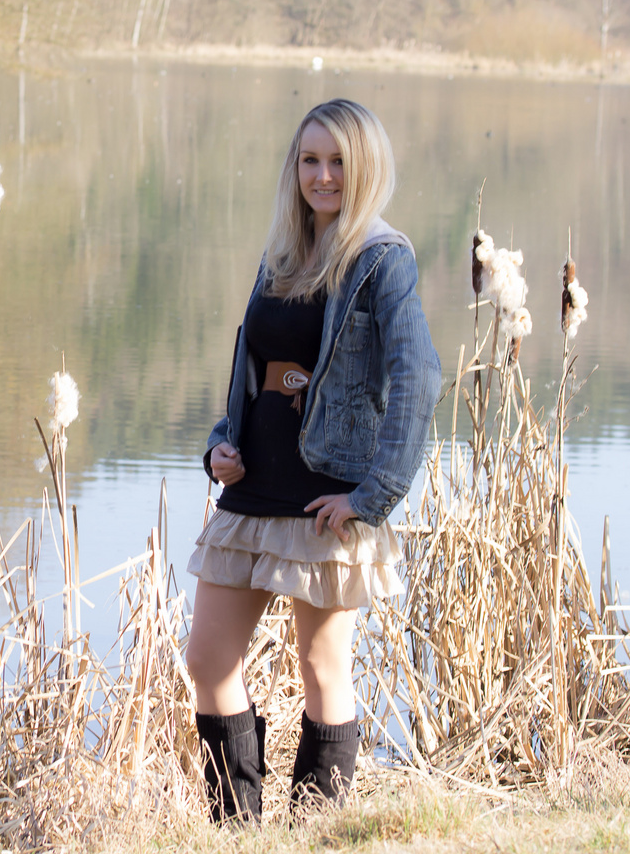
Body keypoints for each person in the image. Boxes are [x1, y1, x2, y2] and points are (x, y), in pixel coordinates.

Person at [186, 99, 442, 823]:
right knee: (208, 659)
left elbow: (419, 376)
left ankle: (314, 832)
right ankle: (237, 829)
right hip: (251, 493)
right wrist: (218, 445)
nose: (322, 176)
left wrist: (372, 497)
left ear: (364, 169)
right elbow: (256, 369)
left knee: (321, 669)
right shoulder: (283, 256)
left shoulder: (381, 259)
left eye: (337, 162)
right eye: (309, 160)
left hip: (324, 498)